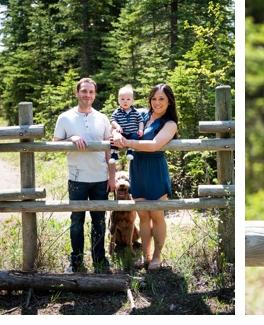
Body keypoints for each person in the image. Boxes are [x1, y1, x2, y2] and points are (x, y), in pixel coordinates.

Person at [111, 83, 179, 271]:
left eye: (161, 99)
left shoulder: (169, 124)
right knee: (142, 215)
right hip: (137, 168)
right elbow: (119, 120)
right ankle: (146, 255)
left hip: (155, 168)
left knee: (156, 215)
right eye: (154, 98)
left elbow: (153, 145)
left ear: (169, 102)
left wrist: (128, 142)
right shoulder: (141, 115)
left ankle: (157, 256)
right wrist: (116, 132)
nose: (157, 103)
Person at [53, 77, 116, 274]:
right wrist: (70, 138)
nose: (87, 95)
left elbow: (110, 151)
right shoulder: (65, 118)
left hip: (100, 178)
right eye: (84, 91)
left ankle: (99, 259)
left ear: (94, 95)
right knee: (77, 221)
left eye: (91, 92)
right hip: (77, 178)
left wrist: (112, 177)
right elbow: (55, 144)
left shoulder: (103, 118)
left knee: (99, 221)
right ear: (77, 93)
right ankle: (76, 261)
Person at [108, 84, 144, 163]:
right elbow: (112, 120)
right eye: (122, 99)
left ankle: (130, 151)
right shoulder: (117, 112)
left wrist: (141, 129)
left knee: (135, 137)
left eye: (128, 99)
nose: (125, 101)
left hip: (132, 133)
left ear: (132, 101)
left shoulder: (136, 112)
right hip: (121, 134)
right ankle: (114, 154)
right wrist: (117, 126)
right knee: (113, 140)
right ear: (118, 100)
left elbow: (140, 121)